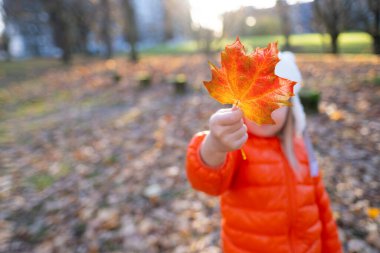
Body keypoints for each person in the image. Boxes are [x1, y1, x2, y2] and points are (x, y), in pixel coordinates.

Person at [185, 52, 342, 253]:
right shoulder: (237, 147)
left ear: (291, 107)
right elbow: (206, 181)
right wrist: (215, 145)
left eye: (276, 101)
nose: (266, 110)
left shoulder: (302, 149)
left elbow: (323, 211)